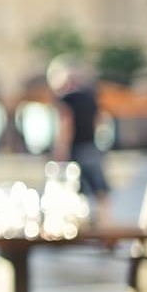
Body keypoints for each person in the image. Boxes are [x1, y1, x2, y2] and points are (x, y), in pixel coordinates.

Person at [48, 55, 112, 224]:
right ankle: (106, 221)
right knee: (99, 187)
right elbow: (100, 120)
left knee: (72, 186)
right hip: (91, 145)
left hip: (75, 148)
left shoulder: (66, 99)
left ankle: (74, 222)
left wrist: (61, 148)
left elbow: (66, 123)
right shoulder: (90, 97)